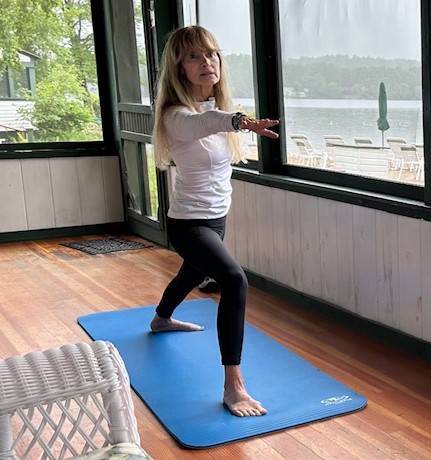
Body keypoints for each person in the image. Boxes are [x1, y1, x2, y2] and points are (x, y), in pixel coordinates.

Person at [150, 25, 279, 417]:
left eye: (211, 54)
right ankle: (233, 385)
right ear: (179, 67)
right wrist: (241, 121)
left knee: (190, 275)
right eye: (194, 56)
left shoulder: (211, 109)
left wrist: (232, 120)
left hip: (216, 219)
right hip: (189, 223)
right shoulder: (176, 116)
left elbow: (212, 120)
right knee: (233, 279)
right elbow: (204, 125)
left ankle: (161, 319)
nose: (207, 62)